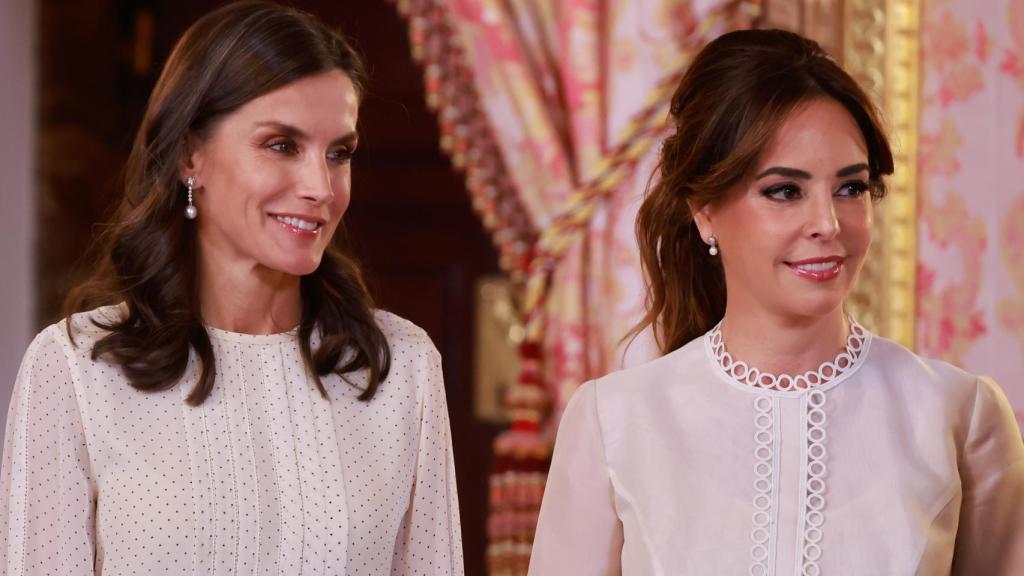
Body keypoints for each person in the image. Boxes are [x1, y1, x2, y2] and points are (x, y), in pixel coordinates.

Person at [528, 28, 1024, 575]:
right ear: (705, 209)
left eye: (851, 188)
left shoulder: (960, 416)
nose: (828, 224)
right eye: (785, 191)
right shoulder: (614, 422)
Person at [0, 2, 463, 574]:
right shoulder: (77, 370)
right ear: (190, 155)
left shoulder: (402, 369)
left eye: (338, 153)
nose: (321, 186)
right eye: (281, 145)